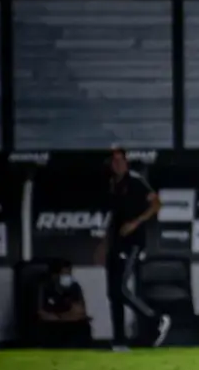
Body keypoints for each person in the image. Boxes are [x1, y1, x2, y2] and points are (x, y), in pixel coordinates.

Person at [96, 148, 170, 350]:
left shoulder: (135, 181)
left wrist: (136, 223)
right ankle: (119, 340)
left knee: (120, 287)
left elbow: (156, 204)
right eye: (114, 161)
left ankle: (155, 319)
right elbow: (112, 216)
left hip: (132, 242)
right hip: (115, 241)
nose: (118, 165)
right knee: (113, 292)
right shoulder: (111, 184)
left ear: (127, 163)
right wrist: (104, 243)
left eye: (121, 161)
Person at [36, 260, 92, 348]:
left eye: (69, 273)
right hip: (52, 325)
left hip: (69, 322)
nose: (67, 277)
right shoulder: (45, 287)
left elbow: (80, 311)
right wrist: (62, 317)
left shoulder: (74, 287)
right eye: (64, 274)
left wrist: (63, 317)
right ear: (54, 275)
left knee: (83, 326)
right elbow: (42, 313)